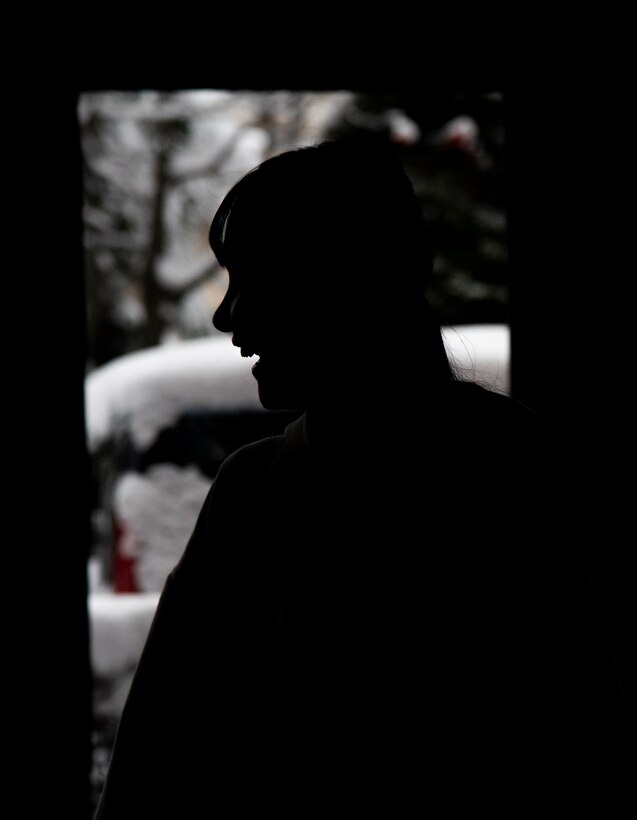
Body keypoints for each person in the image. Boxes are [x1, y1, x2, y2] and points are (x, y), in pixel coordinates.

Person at [94, 139, 627, 817]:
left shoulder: (262, 494)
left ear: (342, 283)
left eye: (255, 277)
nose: (226, 316)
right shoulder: (510, 464)